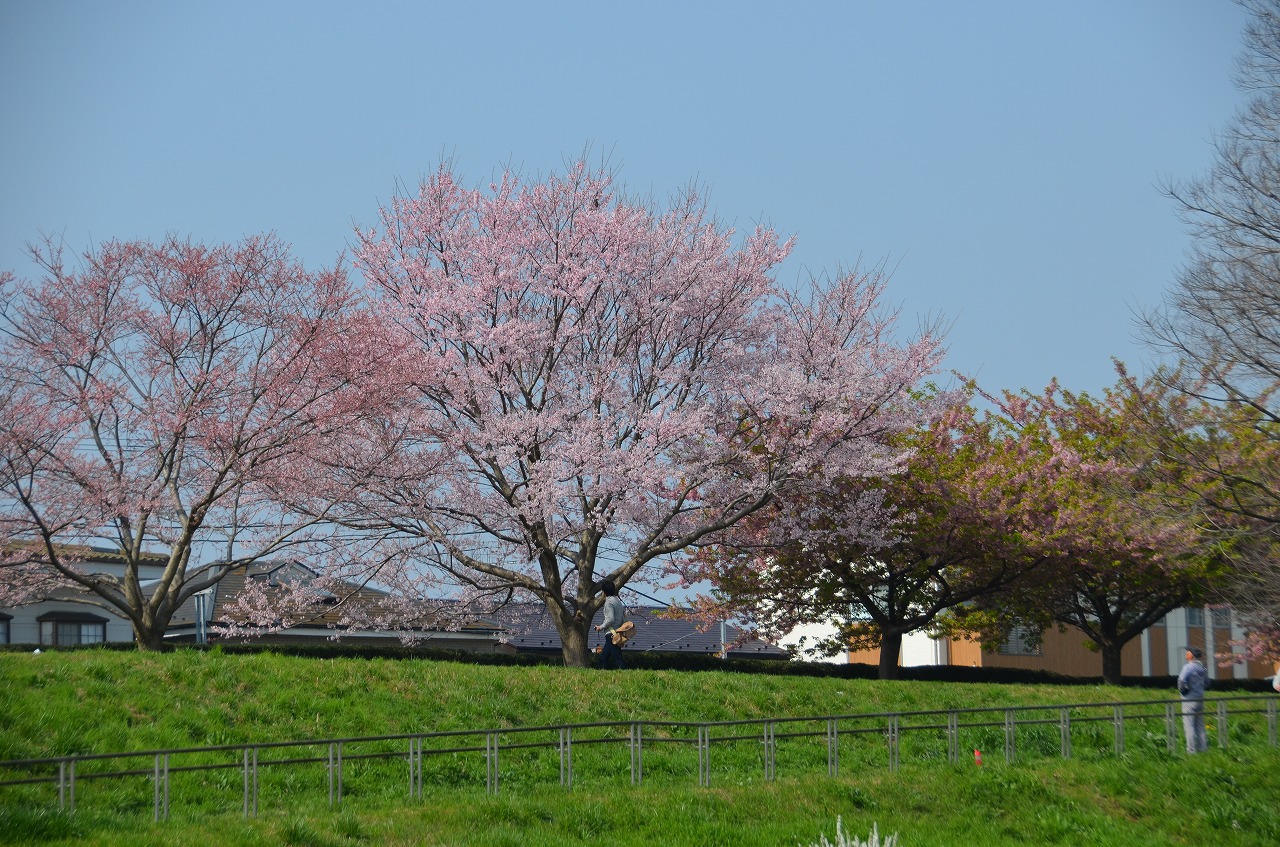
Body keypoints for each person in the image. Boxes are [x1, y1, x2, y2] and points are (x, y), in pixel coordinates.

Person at [1177, 645, 1209, 754]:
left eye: (1188, 652)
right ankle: (1203, 749)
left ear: (1191, 655)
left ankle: (1191, 750)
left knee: (1189, 725)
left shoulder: (1188, 667)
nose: (1186, 654)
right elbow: (1207, 683)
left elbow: (1181, 681)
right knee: (1200, 725)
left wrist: (1184, 691)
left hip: (1189, 700)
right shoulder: (1202, 668)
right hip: (1200, 698)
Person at [594, 580, 627, 670]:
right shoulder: (617, 601)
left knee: (617, 658)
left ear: (603, 592)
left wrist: (600, 627)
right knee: (604, 657)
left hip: (611, 633)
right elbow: (623, 619)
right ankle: (602, 672)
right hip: (617, 632)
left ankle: (624, 672)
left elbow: (610, 619)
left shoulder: (609, 602)